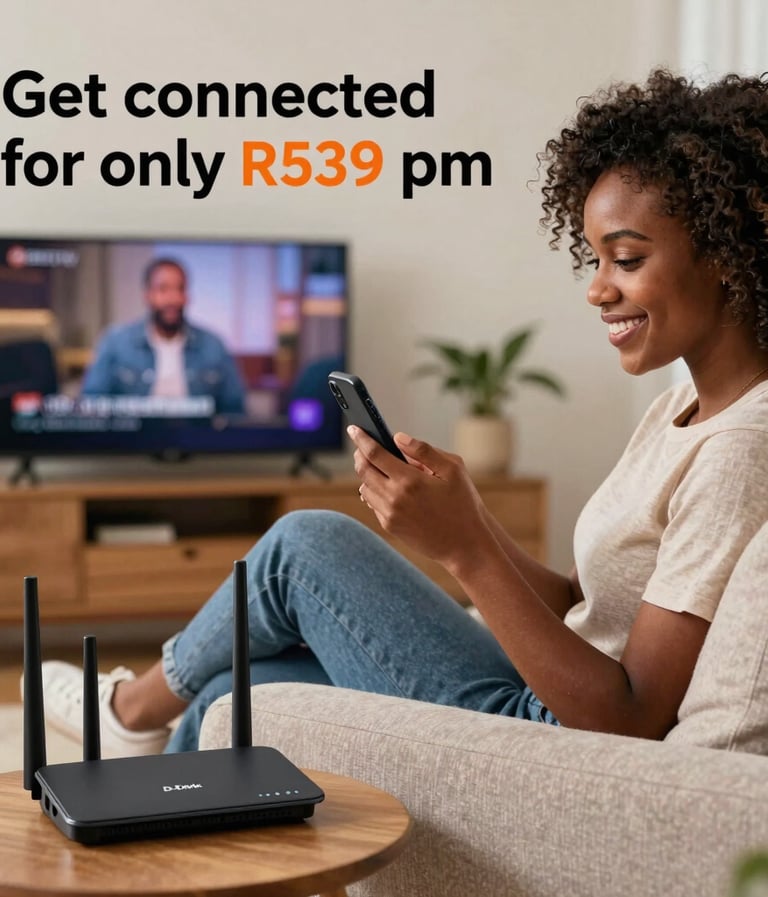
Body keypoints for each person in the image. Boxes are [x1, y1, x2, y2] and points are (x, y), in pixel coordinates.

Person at [39, 68, 768, 756]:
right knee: (235, 691)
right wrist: (471, 516)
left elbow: (630, 717)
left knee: (303, 545)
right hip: (546, 680)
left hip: (557, 731)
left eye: (627, 260)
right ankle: (143, 821)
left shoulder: (739, 446)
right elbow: (586, 603)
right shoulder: (683, 405)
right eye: (594, 261)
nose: (597, 289)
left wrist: (465, 551)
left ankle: (128, 713)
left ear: (728, 253)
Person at [81, 258, 246, 415]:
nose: (172, 299)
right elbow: (92, 402)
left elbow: (235, 409)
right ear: (147, 294)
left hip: (196, 441)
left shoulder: (214, 346)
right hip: (133, 442)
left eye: (179, 289)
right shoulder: (115, 342)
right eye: (163, 289)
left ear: (187, 296)